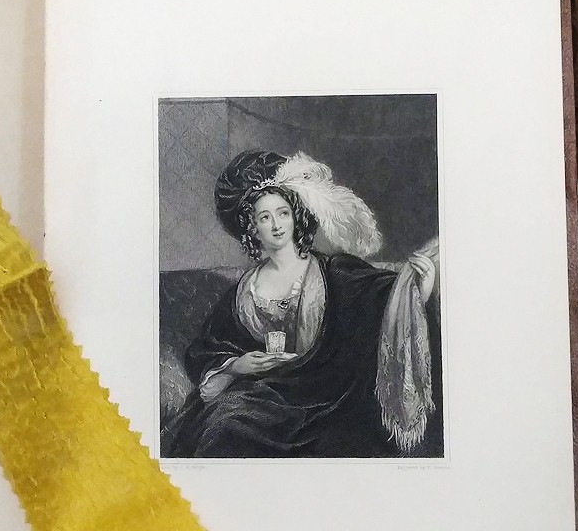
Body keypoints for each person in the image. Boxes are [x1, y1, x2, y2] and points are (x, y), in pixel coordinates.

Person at [161, 149, 440, 458]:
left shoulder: (335, 273)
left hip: (325, 394)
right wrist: (238, 366)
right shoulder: (242, 293)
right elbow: (208, 349)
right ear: (252, 228)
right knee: (225, 426)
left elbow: (383, 299)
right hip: (268, 397)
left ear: (295, 216)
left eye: (283, 213)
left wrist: (419, 288)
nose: (277, 225)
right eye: (265, 217)